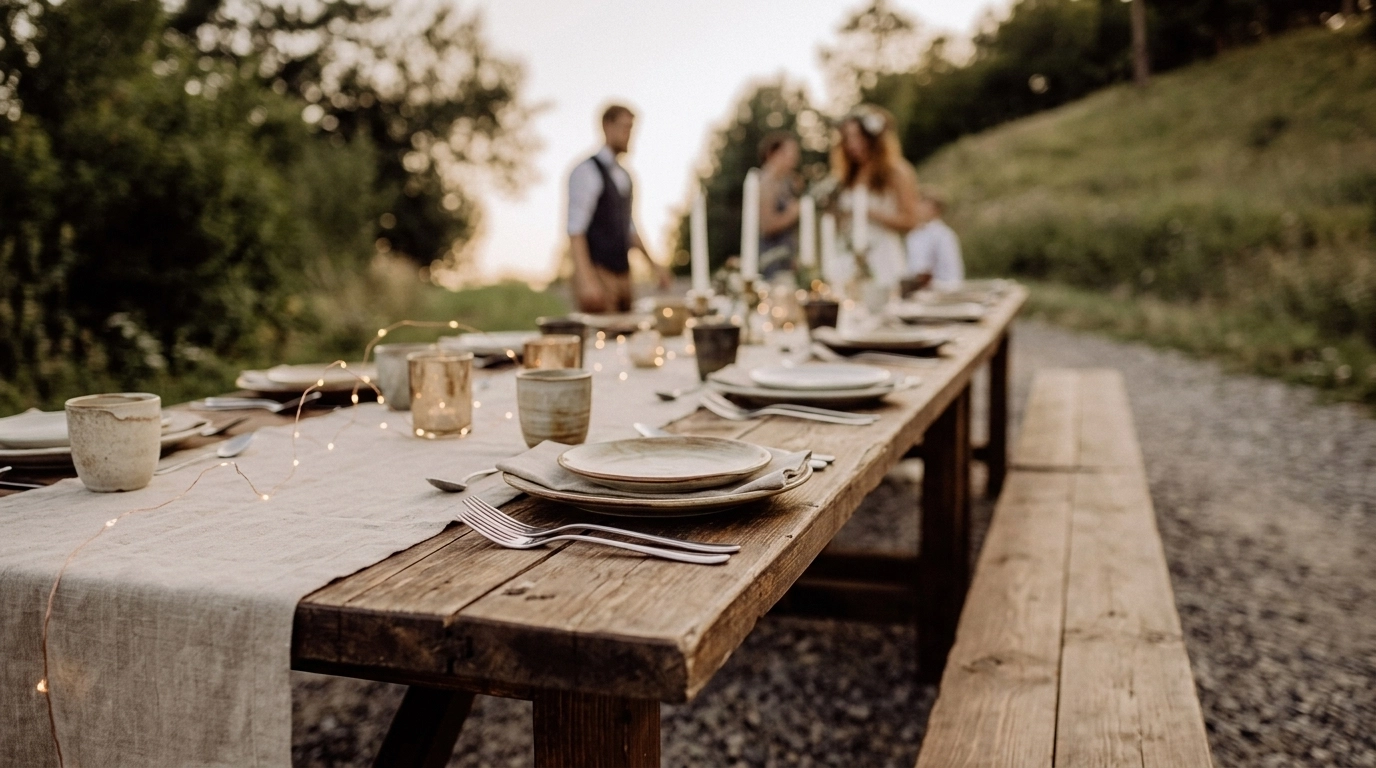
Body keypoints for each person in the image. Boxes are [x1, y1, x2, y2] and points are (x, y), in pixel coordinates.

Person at [566, 104, 670, 313]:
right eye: (624, 128)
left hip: (623, 274)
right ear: (607, 126)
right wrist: (586, 280)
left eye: (631, 129)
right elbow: (576, 229)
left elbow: (629, 227)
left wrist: (654, 266)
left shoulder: (625, 176)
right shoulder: (586, 171)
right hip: (598, 272)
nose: (629, 135)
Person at [830, 105, 921, 288]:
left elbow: (911, 221)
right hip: (847, 256)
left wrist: (869, 213)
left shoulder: (896, 172)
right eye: (847, 137)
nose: (852, 144)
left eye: (857, 136)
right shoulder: (847, 177)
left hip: (882, 256)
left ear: (873, 138)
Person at [756, 131, 801, 278]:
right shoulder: (766, 182)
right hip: (771, 260)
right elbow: (767, 225)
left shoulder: (784, 183)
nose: (793, 160)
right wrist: (793, 213)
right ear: (772, 154)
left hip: (784, 258)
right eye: (788, 154)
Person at [904, 192, 965, 290]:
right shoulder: (913, 234)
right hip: (916, 291)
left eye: (925, 206)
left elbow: (952, 269)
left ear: (936, 210)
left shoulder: (944, 235)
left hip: (941, 289)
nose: (920, 209)